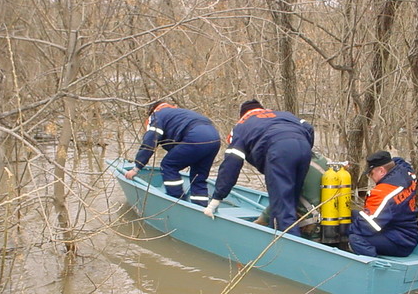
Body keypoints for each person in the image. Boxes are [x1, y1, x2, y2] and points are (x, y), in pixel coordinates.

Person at [203, 99, 314, 236]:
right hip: (303, 148)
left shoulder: (241, 125)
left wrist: (216, 199)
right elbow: (308, 127)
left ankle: (292, 249)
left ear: (242, 114)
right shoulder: (284, 115)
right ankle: (275, 231)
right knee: (291, 199)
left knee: (283, 209)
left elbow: (231, 164)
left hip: (278, 151)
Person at [125, 101, 221, 207]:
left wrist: (137, 167)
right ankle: (200, 206)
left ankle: (177, 201)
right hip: (214, 138)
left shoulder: (157, 115)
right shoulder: (178, 113)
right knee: (198, 177)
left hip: (196, 136)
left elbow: (150, 140)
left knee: (168, 165)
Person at [347, 150, 418, 257]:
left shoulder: (382, 193)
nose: (370, 177)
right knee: (352, 214)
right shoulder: (407, 172)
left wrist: (343, 231)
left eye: (371, 173)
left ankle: (374, 264)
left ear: (381, 171)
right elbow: (399, 160)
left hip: (400, 242)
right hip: (407, 230)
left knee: (355, 238)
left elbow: (367, 226)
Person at [253, 151, 328, 241]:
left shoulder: (291, 165)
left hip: (309, 230)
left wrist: (260, 222)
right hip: (330, 225)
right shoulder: (323, 160)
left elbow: (279, 198)